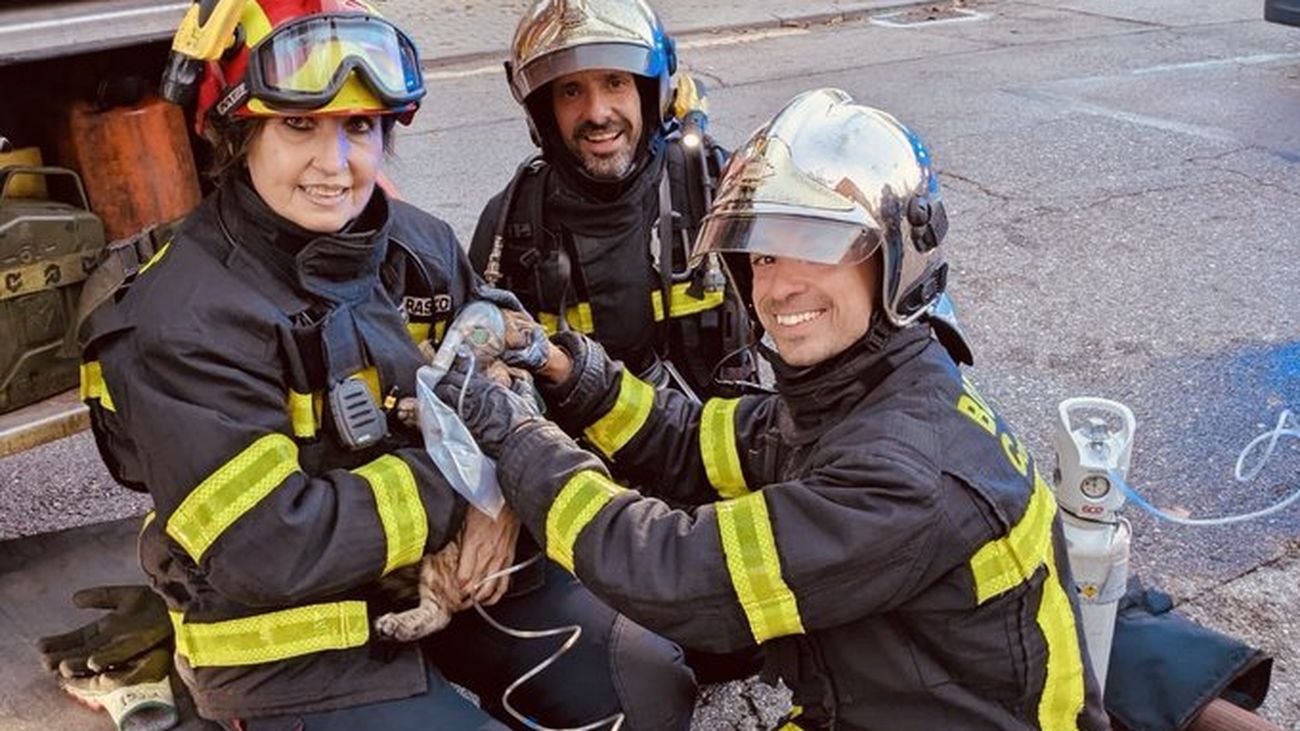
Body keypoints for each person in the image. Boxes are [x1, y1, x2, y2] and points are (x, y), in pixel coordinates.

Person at [71, 1, 696, 728]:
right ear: (237, 136)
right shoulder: (178, 316)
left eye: (359, 127)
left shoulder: (418, 246)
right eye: (299, 125)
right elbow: (272, 546)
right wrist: (469, 486)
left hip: (456, 578)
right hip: (296, 640)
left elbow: (506, 354)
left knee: (646, 684)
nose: (336, 164)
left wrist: (497, 498)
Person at [437, 88, 1112, 730]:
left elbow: (675, 575)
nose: (779, 286)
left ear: (897, 259)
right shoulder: (860, 393)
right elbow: (694, 440)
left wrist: (516, 437)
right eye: (762, 253)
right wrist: (565, 367)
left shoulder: (902, 471)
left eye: (817, 245)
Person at [468, 0, 755, 402]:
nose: (597, 112)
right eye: (571, 90)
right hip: (570, 461)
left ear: (646, 91)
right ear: (544, 112)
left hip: (714, 450)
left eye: (614, 82)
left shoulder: (711, 190)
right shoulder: (511, 223)